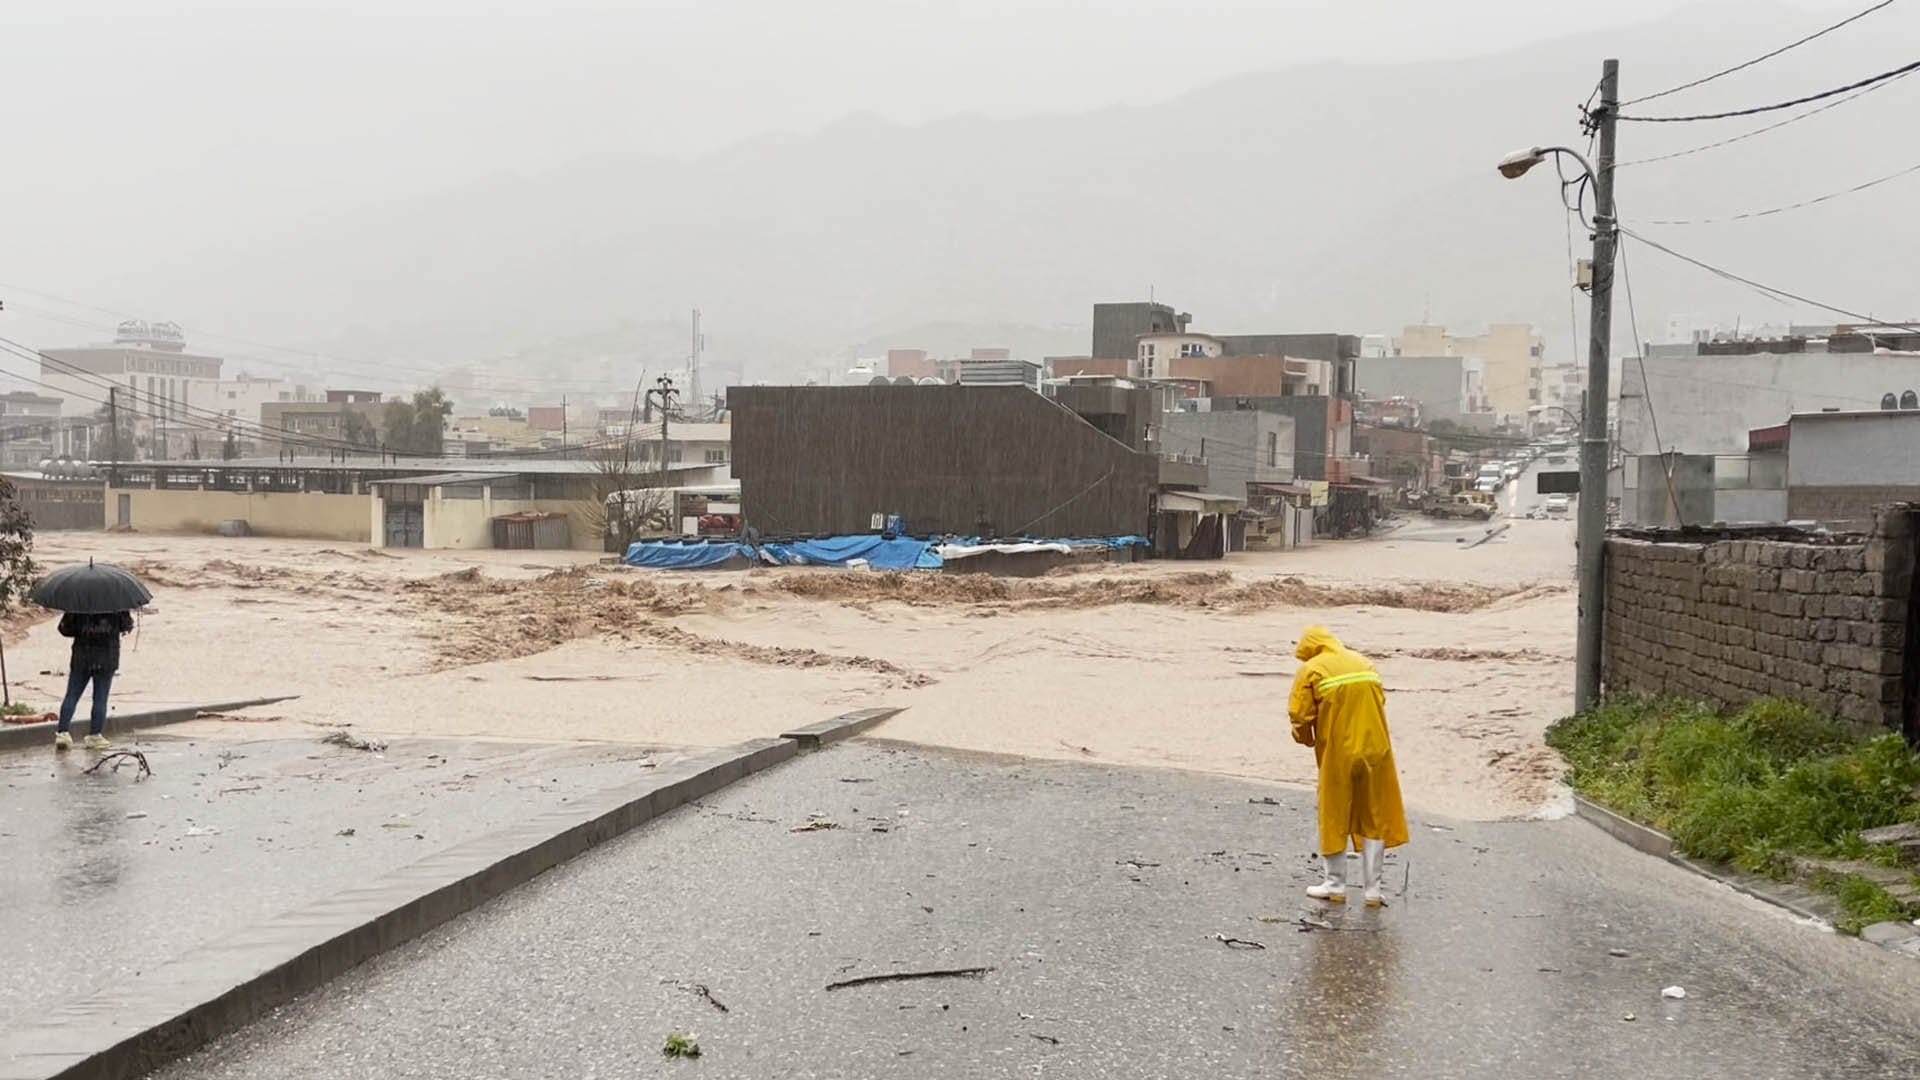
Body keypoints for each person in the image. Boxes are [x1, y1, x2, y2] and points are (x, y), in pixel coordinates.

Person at [1288, 625, 1408, 906]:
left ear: (1310, 649)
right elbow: (1380, 700)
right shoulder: (1365, 662)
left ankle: (1335, 886)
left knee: (1334, 812)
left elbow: (1299, 714)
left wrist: (1305, 738)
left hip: (1339, 751)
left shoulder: (1312, 668)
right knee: (1374, 814)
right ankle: (1373, 891)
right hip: (1377, 749)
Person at [53, 610, 135, 752]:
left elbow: (65, 629)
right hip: (107, 658)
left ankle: (62, 733)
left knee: (72, 695)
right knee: (100, 699)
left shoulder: (78, 603)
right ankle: (95, 736)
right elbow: (126, 625)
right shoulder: (117, 603)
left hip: (81, 656)